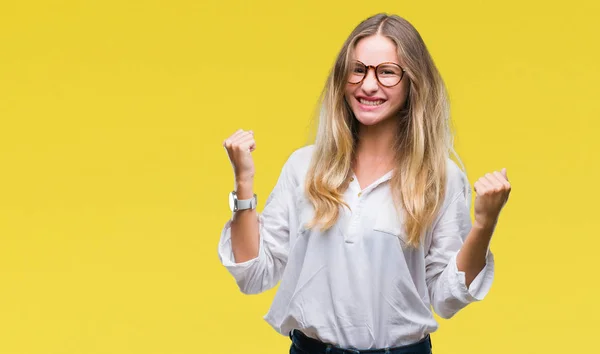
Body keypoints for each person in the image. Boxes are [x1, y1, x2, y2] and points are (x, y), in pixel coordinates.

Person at [218, 13, 511, 354]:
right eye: (357, 70)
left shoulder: (441, 177)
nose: (368, 85)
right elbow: (253, 276)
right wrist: (243, 183)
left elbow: (446, 298)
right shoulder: (304, 167)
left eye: (386, 72)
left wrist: (484, 224)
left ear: (412, 82)